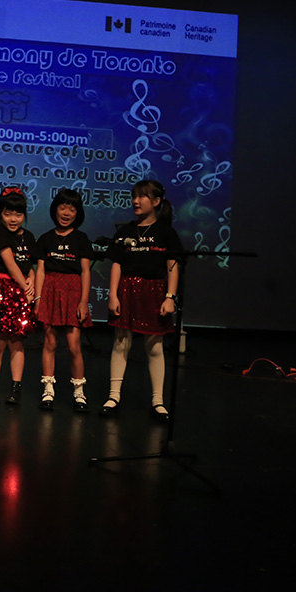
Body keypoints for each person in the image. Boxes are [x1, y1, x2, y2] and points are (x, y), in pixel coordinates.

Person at [103, 179, 182, 422]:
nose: (135, 201)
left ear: (156, 201)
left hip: (155, 291)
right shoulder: (126, 231)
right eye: (134, 196)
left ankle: (158, 400)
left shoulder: (166, 232)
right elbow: (116, 264)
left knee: (155, 347)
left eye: (142, 197)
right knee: (121, 343)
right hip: (127, 289)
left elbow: (172, 265)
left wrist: (170, 297)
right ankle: (113, 396)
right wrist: (113, 294)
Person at [34, 189, 93, 411]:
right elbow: (40, 271)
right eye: (62, 207)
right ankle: (48, 390)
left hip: (73, 292)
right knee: (49, 342)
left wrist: (83, 301)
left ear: (78, 213)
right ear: (55, 209)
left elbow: (85, 271)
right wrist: (38, 298)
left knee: (73, 345)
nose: (66, 213)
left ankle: (79, 392)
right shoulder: (45, 238)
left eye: (72, 209)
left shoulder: (81, 239)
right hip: (50, 290)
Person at [0, 186, 38, 405]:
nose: (13, 219)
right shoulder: (0, 233)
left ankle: (16, 388)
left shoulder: (29, 236)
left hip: (22, 291)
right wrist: (26, 287)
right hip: (3, 289)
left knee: (17, 342)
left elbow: (29, 265)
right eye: (8, 214)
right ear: (1, 214)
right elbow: (10, 263)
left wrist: (31, 279)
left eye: (18, 214)